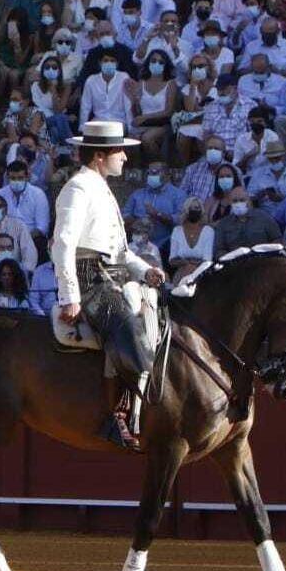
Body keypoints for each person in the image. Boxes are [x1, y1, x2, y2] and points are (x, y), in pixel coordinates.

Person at [51, 120, 166, 451]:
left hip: (115, 276)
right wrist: (70, 296)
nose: (125, 159)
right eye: (120, 152)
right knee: (130, 332)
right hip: (91, 282)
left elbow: (121, 251)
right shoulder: (78, 188)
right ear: (100, 155)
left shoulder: (100, 187)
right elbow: (64, 244)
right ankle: (116, 416)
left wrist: (145, 272)